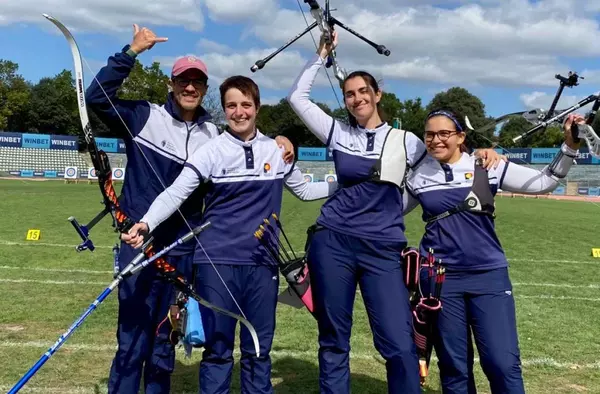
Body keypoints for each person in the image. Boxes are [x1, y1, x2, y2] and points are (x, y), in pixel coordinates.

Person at [286, 31, 503, 393]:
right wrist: (321, 55)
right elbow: (297, 97)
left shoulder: (408, 141)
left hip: (383, 248)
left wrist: (482, 154)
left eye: (363, 92)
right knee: (334, 338)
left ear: (377, 95)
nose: (356, 99)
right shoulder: (337, 132)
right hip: (333, 242)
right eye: (349, 94)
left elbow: (443, 159)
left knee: (399, 343)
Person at [85, 25, 294, 394]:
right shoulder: (144, 116)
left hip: (184, 251)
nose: (190, 87)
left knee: (165, 339)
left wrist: (281, 139)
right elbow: (98, 98)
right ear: (172, 82)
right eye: (183, 80)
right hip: (140, 245)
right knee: (132, 339)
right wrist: (130, 53)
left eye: (197, 81)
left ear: (204, 88)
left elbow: (249, 143)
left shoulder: (213, 136)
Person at [122, 75, 338, 394]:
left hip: (262, 266)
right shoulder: (212, 151)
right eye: (231, 106)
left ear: (257, 108)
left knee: (258, 351)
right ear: (224, 110)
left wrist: (348, 181)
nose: (239, 112)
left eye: (245, 105)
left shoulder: (276, 151)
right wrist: (146, 222)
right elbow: (175, 193)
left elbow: (305, 190)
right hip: (216, 264)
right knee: (218, 353)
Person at [402, 108, 582, 394]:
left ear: (460, 137)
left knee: (502, 362)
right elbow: (385, 212)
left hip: (489, 276)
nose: (436, 140)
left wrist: (570, 147)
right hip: (440, 281)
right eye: (430, 134)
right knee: (453, 366)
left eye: (444, 133)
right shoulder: (418, 176)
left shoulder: (488, 165)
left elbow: (544, 182)